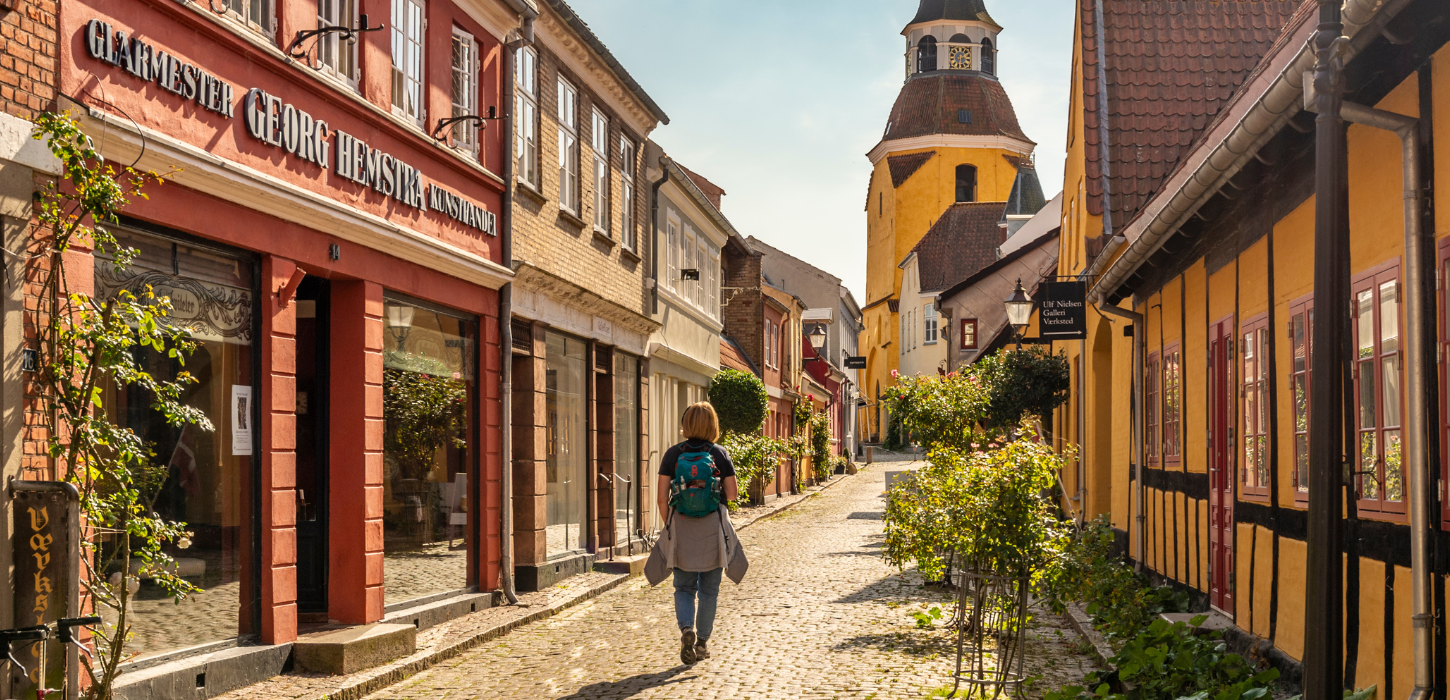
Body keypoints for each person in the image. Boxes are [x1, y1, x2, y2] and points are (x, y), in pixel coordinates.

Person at [656, 402, 738, 665]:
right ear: (713, 425)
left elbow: (661, 498)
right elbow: (732, 494)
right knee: (709, 591)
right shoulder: (719, 454)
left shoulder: (673, 454)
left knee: (683, 587)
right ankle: (702, 643)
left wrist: (671, 525)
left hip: (681, 526)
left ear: (686, 424)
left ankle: (686, 629)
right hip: (712, 528)